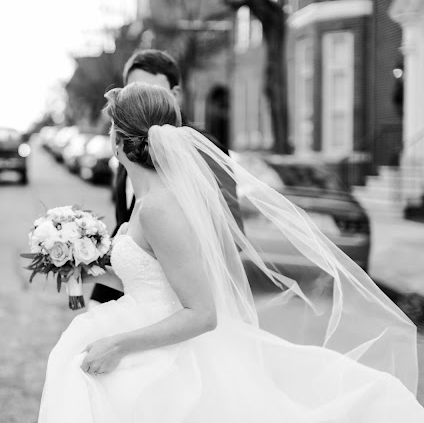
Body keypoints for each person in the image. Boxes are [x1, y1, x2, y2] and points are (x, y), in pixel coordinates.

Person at [38, 83, 424, 422]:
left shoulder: (159, 207)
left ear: (119, 141)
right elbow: (152, 278)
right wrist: (84, 268)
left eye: (110, 128)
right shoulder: (151, 201)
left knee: (80, 379)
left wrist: (118, 344)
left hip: (170, 358)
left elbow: (202, 314)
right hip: (145, 326)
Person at [90, 49, 243, 306]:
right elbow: (128, 226)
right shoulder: (128, 149)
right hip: (134, 291)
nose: (139, 100)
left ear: (174, 95)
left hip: (181, 299)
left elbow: (229, 233)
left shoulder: (205, 149)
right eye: (132, 89)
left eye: (149, 90)